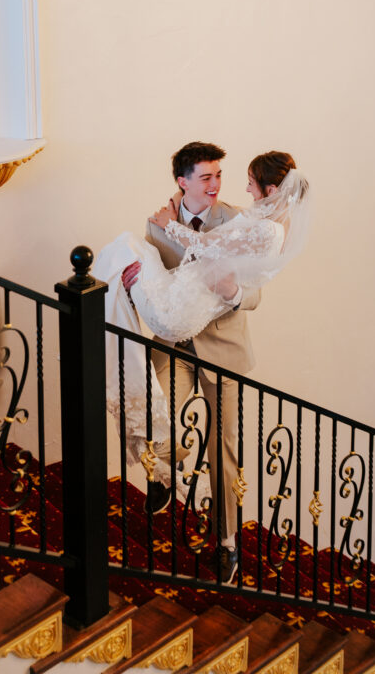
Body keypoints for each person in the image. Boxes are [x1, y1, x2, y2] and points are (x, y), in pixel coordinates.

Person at [95, 144, 310, 583]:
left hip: (222, 351)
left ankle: (226, 542)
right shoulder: (157, 226)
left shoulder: (239, 219)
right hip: (175, 342)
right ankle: (165, 467)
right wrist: (134, 283)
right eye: (206, 177)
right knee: (137, 395)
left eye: (219, 176)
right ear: (183, 181)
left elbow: (256, 292)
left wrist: (233, 293)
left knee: (223, 450)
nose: (216, 185)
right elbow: (155, 286)